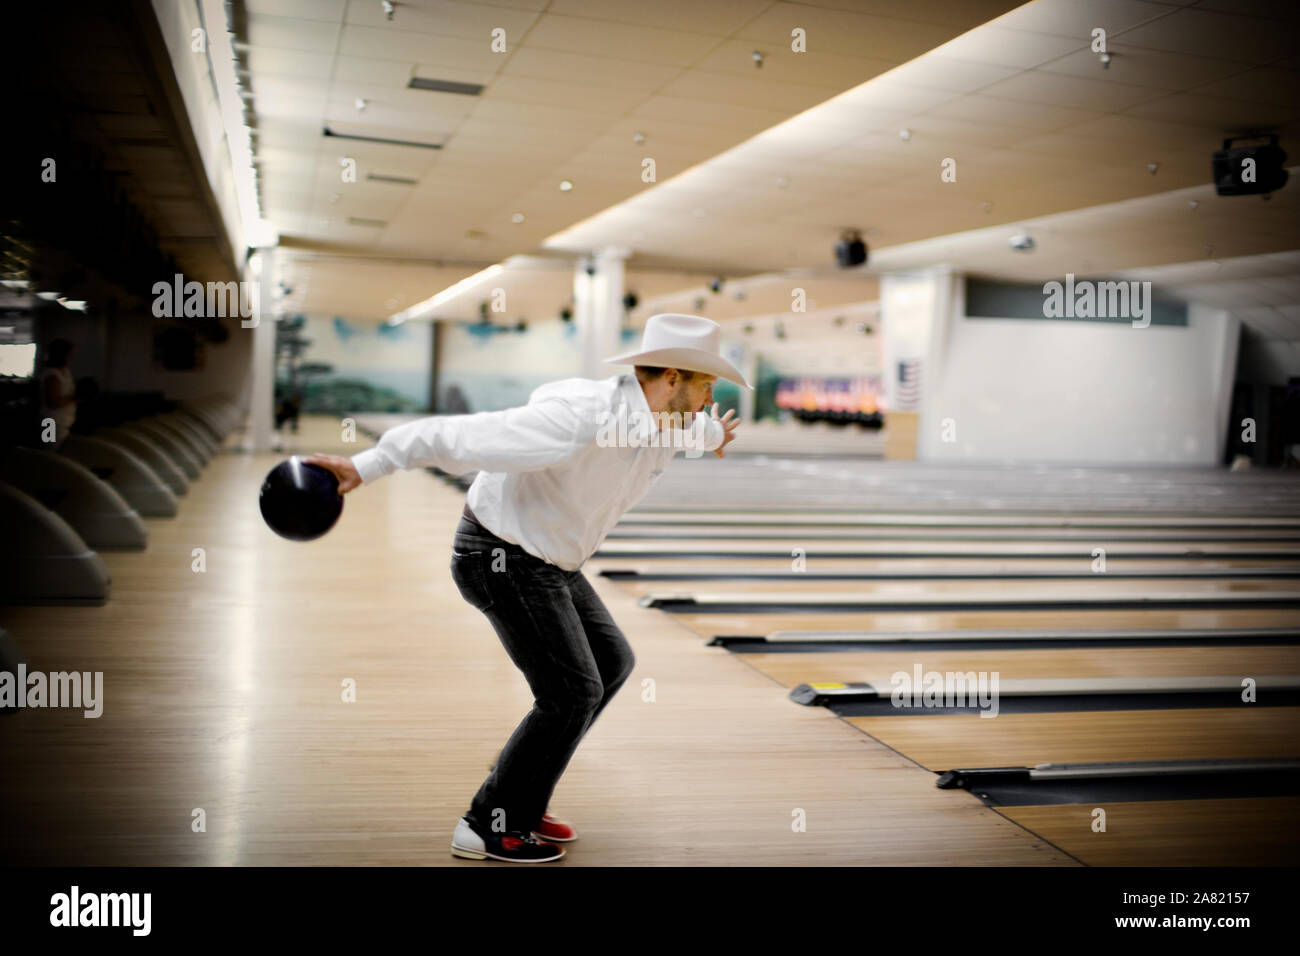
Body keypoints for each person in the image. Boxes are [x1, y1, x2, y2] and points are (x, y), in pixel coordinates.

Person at [306, 314, 748, 863]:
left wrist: (712, 435)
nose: (713, 394)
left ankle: (523, 797)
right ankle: (486, 824)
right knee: (571, 691)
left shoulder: (667, 416)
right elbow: (460, 436)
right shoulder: (581, 415)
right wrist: (366, 464)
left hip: (550, 561)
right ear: (675, 377)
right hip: (501, 556)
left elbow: (693, 430)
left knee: (610, 662)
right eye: (708, 383)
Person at [37, 338, 77, 448]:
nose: (71, 358)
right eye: (69, 354)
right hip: (50, 422)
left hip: (63, 423)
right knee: (49, 453)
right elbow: (53, 402)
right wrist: (76, 397)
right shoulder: (51, 374)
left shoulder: (65, 372)